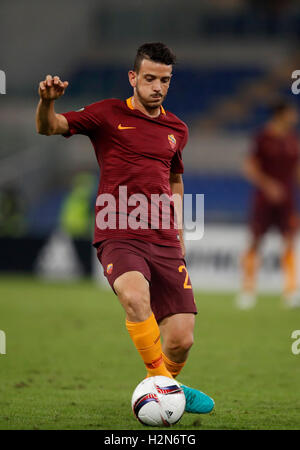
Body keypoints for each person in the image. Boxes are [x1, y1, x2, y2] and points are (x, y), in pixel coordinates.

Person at [36, 42, 214, 414]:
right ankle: (165, 385)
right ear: (133, 77)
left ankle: (168, 386)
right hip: (118, 228)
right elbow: (49, 127)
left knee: (182, 340)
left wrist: (179, 232)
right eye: (149, 78)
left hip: (164, 237)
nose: (157, 87)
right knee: (135, 299)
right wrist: (47, 102)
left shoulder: (176, 128)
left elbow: (175, 178)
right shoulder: (106, 114)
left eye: (165, 80)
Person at [237, 101, 300, 309]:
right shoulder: (262, 137)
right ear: (281, 115)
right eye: (292, 113)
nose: (295, 117)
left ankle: (291, 290)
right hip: (263, 201)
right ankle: (247, 290)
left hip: (287, 201)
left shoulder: (293, 140)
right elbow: (249, 167)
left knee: (289, 241)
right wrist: (268, 185)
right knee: (255, 242)